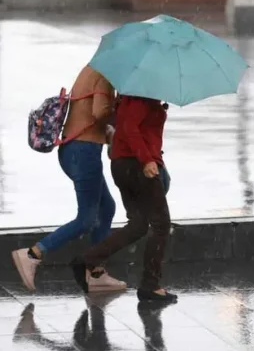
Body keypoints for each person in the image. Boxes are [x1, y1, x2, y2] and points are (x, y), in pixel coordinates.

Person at [12, 65, 126, 293]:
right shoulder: (105, 76)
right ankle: (33, 253)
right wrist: (122, 110)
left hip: (74, 149)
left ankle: (96, 273)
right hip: (84, 151)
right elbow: (99, 112)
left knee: (106, 208)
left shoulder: (91, 70)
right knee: (86, 219)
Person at [70, 95, 177, 303]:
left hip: (124, 164)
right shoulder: (141, 97)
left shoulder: (135, 96)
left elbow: (131, 126)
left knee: (138, 225)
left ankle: (87, 260)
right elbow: (129, 128)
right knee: (161, 224)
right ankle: (150, 285)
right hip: (138, 166)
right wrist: (147, 160)